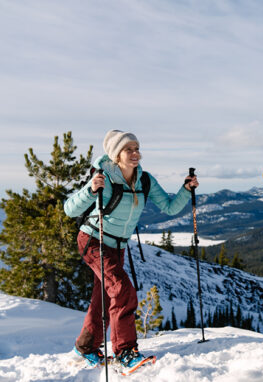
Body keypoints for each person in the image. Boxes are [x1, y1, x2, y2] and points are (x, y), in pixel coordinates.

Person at [64, 130, 198, 374]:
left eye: (137, 148)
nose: (136, 153)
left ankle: (85, 348)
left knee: (103, 297)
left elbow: (168, 208)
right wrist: (90, 190)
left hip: (117, 246)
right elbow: (70, 210)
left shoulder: (144, 180)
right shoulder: (102, 177)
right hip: (94, 240)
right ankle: (125, 352)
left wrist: (186, 189)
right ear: (116, 154)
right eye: (129, 149)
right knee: (122, 291)